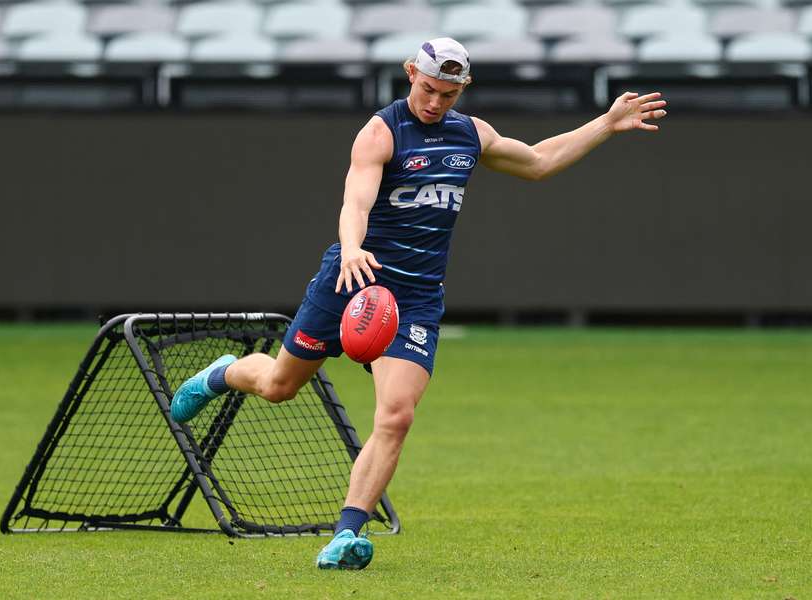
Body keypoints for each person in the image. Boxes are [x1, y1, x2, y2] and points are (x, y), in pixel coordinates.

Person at [170, 37, 667, 570]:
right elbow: (355, 199)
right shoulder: (382, 132)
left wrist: (605, 125)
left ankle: (346, 534)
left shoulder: (471, 134)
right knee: (279, 386)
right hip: (350, 282)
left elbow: (539, 162)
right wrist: (354, 248)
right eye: (429, 89)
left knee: (397, 415)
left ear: (463, 90)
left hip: (414, 300)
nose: (436, 102)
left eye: (449, 94)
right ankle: (223, 373)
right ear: (410, 73)